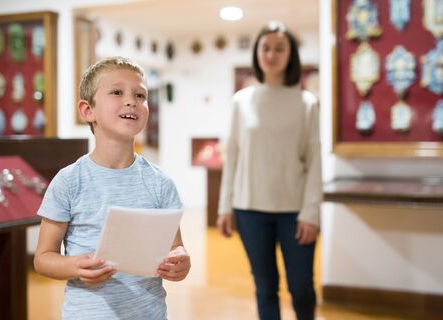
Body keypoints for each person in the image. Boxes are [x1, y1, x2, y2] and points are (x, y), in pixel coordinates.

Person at [34, 56, 191, 320]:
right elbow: (42, 258)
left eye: (140, 95)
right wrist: (75, 266)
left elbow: (175, 247)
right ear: (87, 111)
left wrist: (180, 262)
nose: (132, 101)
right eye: (117, 92)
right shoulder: (69, 181)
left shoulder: (161, 183)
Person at [217, 21, 322, 320]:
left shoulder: (306, 103)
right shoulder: (242, 101)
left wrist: (311, 213)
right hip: (250, 210)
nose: (271, 54)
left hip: (296, 212)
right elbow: (233, 157)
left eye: (279, 48)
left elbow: (314, 161)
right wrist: (226, 207)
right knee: (265, 287)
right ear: (256, 53)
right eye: (265, 47)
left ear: (291, 55)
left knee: (301, 287)